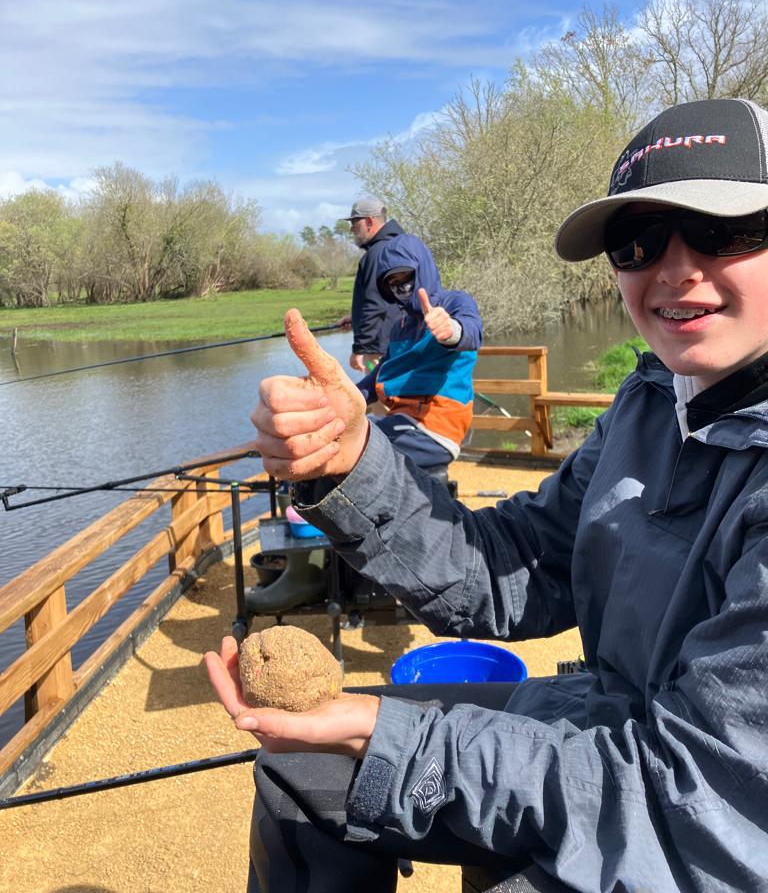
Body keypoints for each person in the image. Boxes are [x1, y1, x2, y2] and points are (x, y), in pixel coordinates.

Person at [206, 97, 768, 893]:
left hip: (702, 819)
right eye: (638, 241)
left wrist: (384, 733)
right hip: (613, 720)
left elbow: (688, 801)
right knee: (300, 766)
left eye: (724, 230)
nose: (675, 268)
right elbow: (508, 568)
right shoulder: (651, 402)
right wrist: (348, 462)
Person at [357, 233, 482, 469]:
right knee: (341, 437)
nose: (401, 287)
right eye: (393, 283)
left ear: (422, 271)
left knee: (357, 448)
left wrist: (451, 331)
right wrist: (347, 397)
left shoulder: (454, 302)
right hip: (401, 420)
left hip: (436, 428)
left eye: (406, 277)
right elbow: (381, 372)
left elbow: (472, 332)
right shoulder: (400, 326)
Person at [334, 196, 407, 373]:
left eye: (355, 222)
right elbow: (392, 300)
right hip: (399, 342)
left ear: (368, 221)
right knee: (392, 387)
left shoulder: (377, 254)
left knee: (375, 385)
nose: (351, 228)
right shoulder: (400, 247)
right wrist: (356, 318)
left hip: (378, 351)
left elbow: (376, 304)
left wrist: (360, 349)